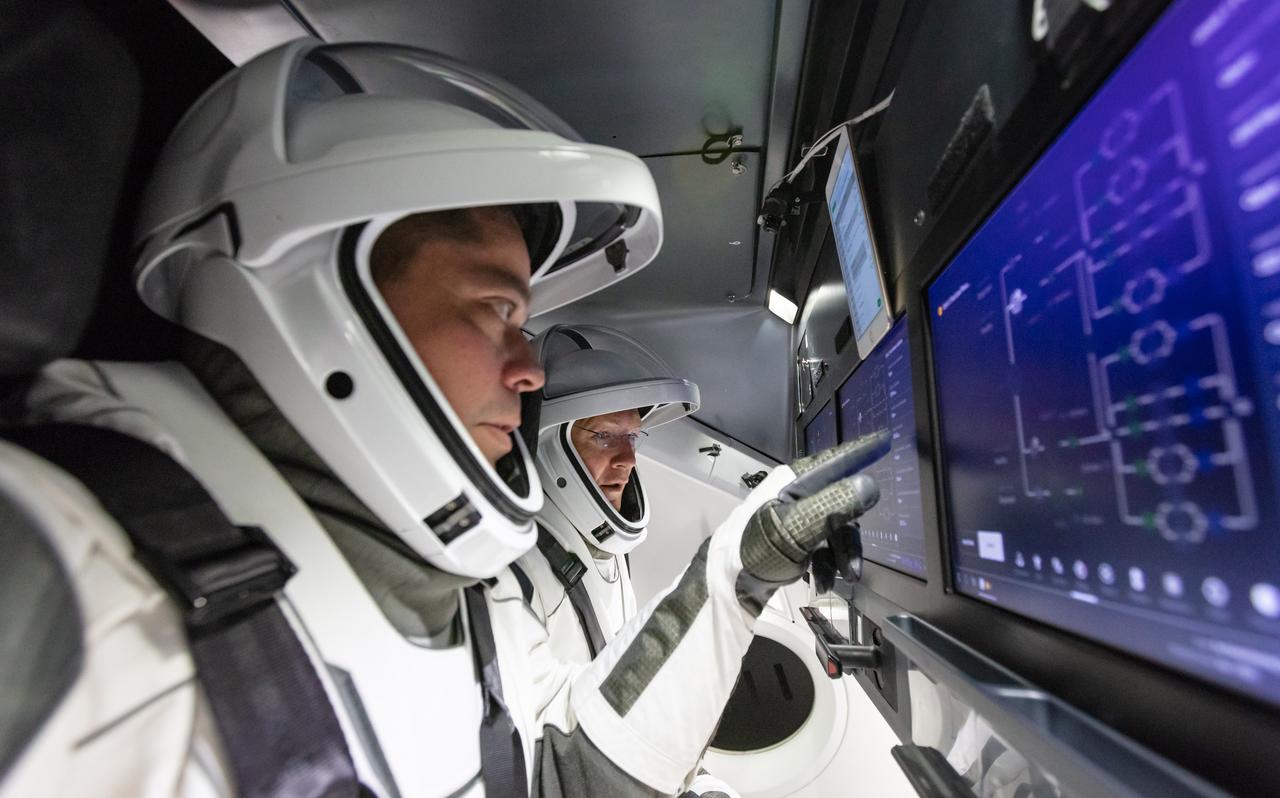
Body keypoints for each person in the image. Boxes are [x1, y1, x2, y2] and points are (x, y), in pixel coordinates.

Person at [4, 39, 889, 798]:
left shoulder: (465, 594)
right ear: (319, 307)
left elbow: (556, 776)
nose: (529, 367)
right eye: (496, 311)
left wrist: (743, 566)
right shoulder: (57, 571)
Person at [514, 324, 739, 797]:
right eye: (604, 437)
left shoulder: (610, 557)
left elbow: (628, 696)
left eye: (633, 439)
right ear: (552, 443)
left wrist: (700, 784)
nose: (627, 460)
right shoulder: (518, 574)